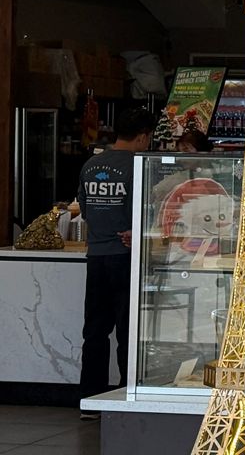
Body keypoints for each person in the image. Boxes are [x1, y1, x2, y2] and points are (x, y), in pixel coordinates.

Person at [77, 108, 154, 419]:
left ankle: (90, 400)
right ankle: (125, 396)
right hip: (125, 257)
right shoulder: (138, 166)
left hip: (96, 256)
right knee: (127, 330)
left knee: (94, 331)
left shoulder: (91, 164)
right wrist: (136, 233)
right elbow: (144, 212)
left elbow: (82, 207)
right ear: (143, 136)